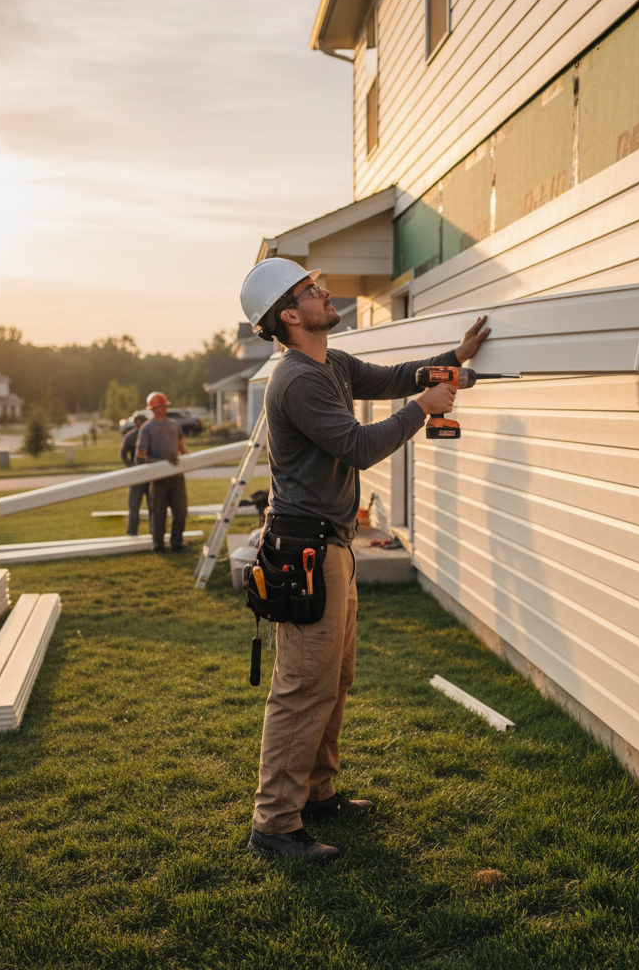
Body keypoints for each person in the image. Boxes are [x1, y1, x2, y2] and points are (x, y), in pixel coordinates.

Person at [239, 256, 491, 862]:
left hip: (332, 546)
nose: (326, 291)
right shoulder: (296, 380)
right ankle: (274, 825)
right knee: (302, 688)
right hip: (304, 552)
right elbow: (357, 446)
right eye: (311, 289)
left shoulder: (332, 364)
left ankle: (317, 794)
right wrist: (423, 409)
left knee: (336, 678)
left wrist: (451, 362)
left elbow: (394, 376)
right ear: (291, 315)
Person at [135, 391, 188, 553]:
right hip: (158, 479)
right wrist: (161, 460)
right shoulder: (147, 428)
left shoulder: (174, 425)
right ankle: (158, 544)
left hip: (177, 477)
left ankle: (176, 543)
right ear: (152, 409)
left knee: (180, 511)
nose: (161, 409)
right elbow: (141, 454)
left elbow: (183, 449)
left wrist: (190, 460)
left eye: (163, 406)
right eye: (158, 407)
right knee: (158, 513)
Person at [119, 413, 149, 536]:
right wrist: (131, 466)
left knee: (153, 506)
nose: (141, 423)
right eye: (139, 420)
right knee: (134, 505)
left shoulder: (149, 434)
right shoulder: (131, 436)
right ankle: (132, 531)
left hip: (149, 474)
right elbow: (123, 453)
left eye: (143, 420)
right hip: (136, 476)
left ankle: (155, 531)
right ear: (135, 422)